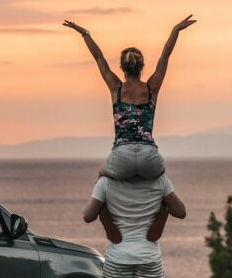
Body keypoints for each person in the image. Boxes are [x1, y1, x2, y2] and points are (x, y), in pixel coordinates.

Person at [63, 15, 197, 180]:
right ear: (142, 67)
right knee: (166, 191)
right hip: (149, 157)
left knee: (101, 176)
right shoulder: (151, 88)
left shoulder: (116, 88)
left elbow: (99, 57)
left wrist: (85, 33)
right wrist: (175, 30)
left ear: (122, 68)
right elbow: (165, 55)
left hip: (121, 156)